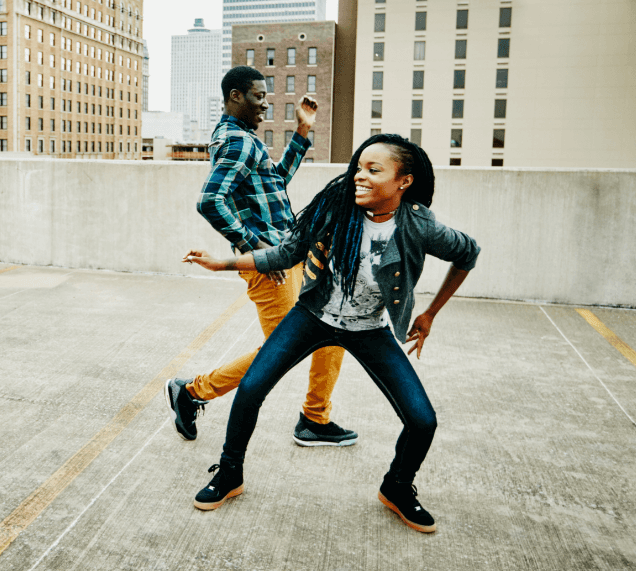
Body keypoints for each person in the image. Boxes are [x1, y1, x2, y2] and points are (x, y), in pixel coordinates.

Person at [182, 133, 480, 533]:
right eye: (359, 167)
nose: (360, 176)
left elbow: (467, 253)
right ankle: (230, 473)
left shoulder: (417, 223)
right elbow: (288, 251)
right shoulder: (337, 205)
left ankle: (397, 486)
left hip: (369, 330)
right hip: (312, 316)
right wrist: (225, 264)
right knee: (252, 388)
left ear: (403, 182)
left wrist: (430, 313)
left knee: (422, 420)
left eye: (374, 170)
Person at [164, 66, 356, 449]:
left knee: (335, 329)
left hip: (291, 254)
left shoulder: (244, 139)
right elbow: (209, 201)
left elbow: (277, 182)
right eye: (257, 97)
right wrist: (256, 251)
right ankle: (193, 391)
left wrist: (302, 130)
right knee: (281, 352)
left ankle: (315, 419)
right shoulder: (238, 142)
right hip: (270, 266)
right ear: (235, 96)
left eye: (265, 97)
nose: (264, 105)